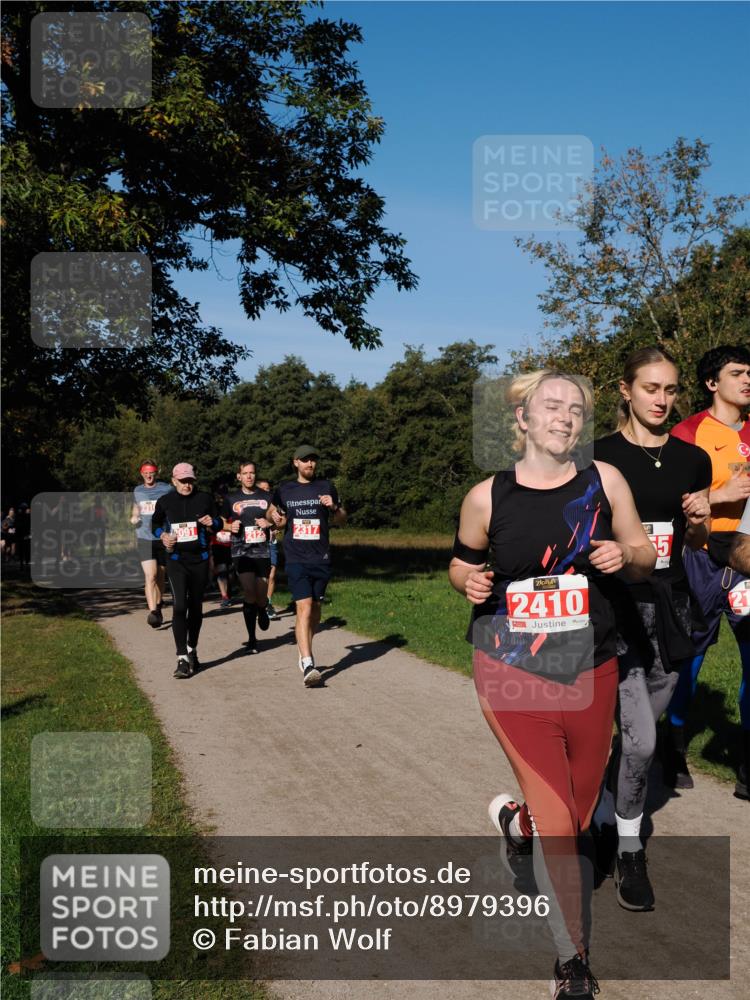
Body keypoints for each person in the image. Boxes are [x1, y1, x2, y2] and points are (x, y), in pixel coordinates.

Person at [449, 370, 655, 1000]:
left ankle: (519, 822)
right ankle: (572, 964)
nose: (565, 416)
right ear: (524, 420)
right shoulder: (488, 495)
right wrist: (470, 584)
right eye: (552, 406)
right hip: (510, 672)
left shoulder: (604, 483)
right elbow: (461, 560)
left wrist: (627, 557)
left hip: (589, 668)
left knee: (577, 810)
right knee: (562, 823)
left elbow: (645, 553)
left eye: (576, 409)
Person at [593, 348, 712, 908]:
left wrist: (699, 522)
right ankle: (628, 848)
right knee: (640, 741)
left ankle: (600, 809)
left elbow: (695, 543)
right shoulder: (596, 458)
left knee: (638, 734)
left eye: (670, 390)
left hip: (671, 606)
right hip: (616, 609)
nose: (662, 400)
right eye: (651, 389)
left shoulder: (692, 460)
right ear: (626, 390)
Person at [667, 345, 750, 790]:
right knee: (691, 655)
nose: (747, 380)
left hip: (748, 557)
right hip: (699, 553)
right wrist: (723, 493)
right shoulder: (688, 432)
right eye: (737, 372)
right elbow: (670, 500)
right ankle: (674, 748)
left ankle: (746, 761)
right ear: (712, 383)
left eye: (749, 372)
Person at [270, 445, 346, 687]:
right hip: (295, 557)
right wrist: (276, 519)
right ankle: (308, 662)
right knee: (303, 607)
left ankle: (304, 648)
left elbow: (342, 518)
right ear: (295, 463)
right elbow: (276, 516)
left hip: (321, 557)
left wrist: (333, 506)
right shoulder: (285, 489)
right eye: (305, 460)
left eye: (313, 460)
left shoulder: (326, 487)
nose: (309, 464)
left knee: (314, 609)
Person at [152, 463, 222, 678]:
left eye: (190, 481)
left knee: (196, 607)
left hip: (199, 560)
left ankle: (192, 648)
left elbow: (219, 523)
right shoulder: (165, 501)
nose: (187, 485)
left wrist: (213, 522)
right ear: (174, 481)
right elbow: (154, 524)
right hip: (176, 560)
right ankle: (181, 657)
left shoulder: (204, 499)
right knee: (180, 605)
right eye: (182, 481)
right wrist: (163, 536)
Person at [223, 461, 274, 653]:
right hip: (240, 551)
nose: (249, 476)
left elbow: (278, 518)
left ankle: (262, 608)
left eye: (252, 473)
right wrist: (229, 526)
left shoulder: (267, 497)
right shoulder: (231, 499)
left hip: (261, 550)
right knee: (249, 591)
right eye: (245, 473)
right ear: (239, 476)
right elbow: (220, 521)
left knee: (261, 594)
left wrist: (268, 522)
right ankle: (252, 639)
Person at [130, 460, 173, 628]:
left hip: (162, 537)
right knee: (151, 576)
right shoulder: (138, 490)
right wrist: (134, 517)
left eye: (151, 472)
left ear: (156, 472)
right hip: (144, 537)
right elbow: (136, 507)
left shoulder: (166, 488)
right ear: (141, 473)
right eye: (146, 472)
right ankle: (153, 612)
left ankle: (159, 602)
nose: (149, 475)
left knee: (161, 575)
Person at [257, 478, 281, 620]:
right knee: (261, 577)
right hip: (257, 544)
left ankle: (268, 603)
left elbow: (280, 521)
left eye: (268, 488)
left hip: (271, 542)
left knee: (272, 575)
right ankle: (259, 603)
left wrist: (276, 528)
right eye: (264, 489)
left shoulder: (274, 505)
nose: (267, 491)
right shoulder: (254, 505)